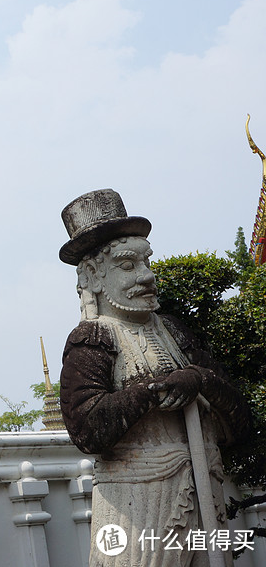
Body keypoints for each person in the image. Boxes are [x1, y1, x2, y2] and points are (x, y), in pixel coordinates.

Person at [59, 189, 250, 567]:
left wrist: (198, 380)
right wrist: (151, 391)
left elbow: (241, 421)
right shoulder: (94, 338)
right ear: (95, 276)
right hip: (138, 503)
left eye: (147, 262)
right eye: (128, 266)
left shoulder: (176, 332)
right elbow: (87, 429)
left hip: (202, 493)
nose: (147, 276)